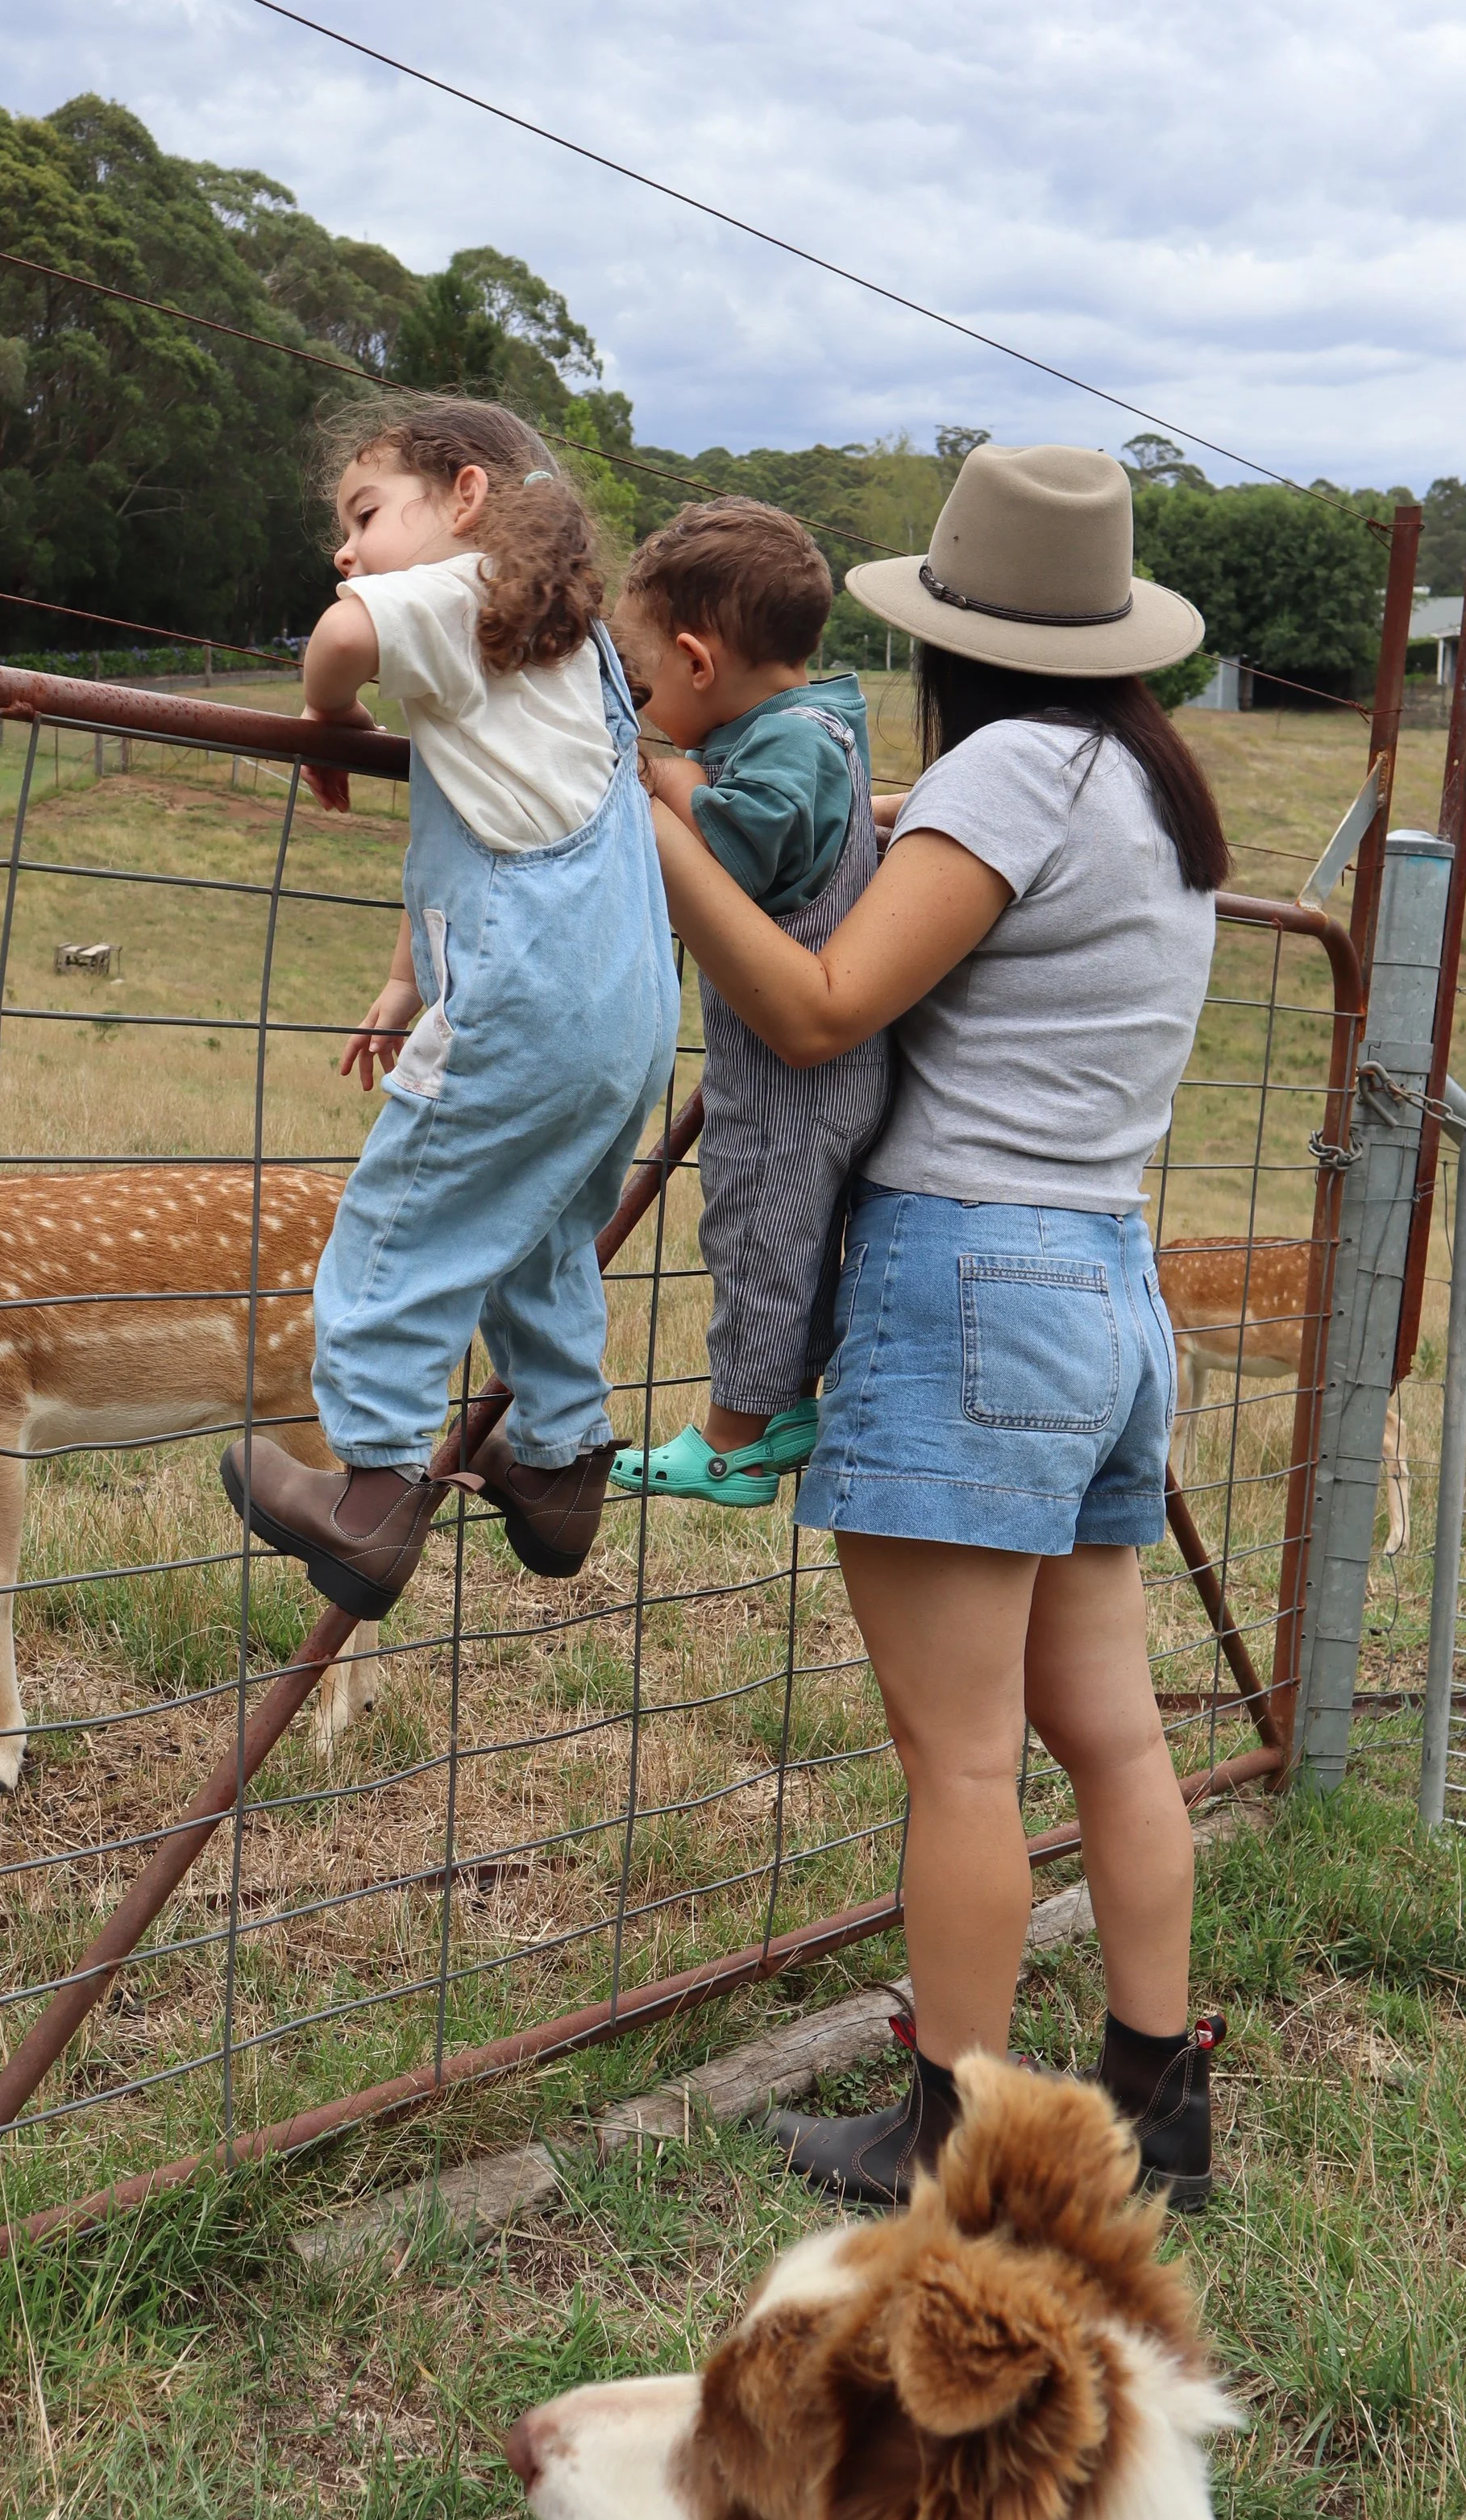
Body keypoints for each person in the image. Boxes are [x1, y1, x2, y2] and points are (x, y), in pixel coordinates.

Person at [638, 442, 1227, 2209]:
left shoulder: (1005, 772)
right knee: (1110, 1733)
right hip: (1104, 1286)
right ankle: (1152, 2102)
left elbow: (818, 1010)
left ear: (949, 635)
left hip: (967, 1283)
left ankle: (947, 2134)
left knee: (959, 1757)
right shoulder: (1145, 785)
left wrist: (661, 835)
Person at [221, 397, 679, 1622]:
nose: (348, 545)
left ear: (466, 496)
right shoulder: (570, 654)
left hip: (526, 1015)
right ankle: (562, 1461)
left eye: (365, 512)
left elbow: (339, 635)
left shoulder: (453, 591)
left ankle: (369, 1496)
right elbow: (499, 841)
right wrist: (403, 980)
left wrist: (328, 716)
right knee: (534, 1233)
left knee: (399, 1230)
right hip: (624, 1023)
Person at [608, 500, 891, 1508]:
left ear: (694, 661)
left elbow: (738, 845)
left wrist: (670, 784)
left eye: (640, 680)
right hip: (822, 1066)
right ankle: (785, 1407)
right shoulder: (821, 728)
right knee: (794, 1238)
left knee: (757, 1233)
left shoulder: (784, 749)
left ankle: (732, 1441)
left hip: (789, 1074)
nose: (638, 706)